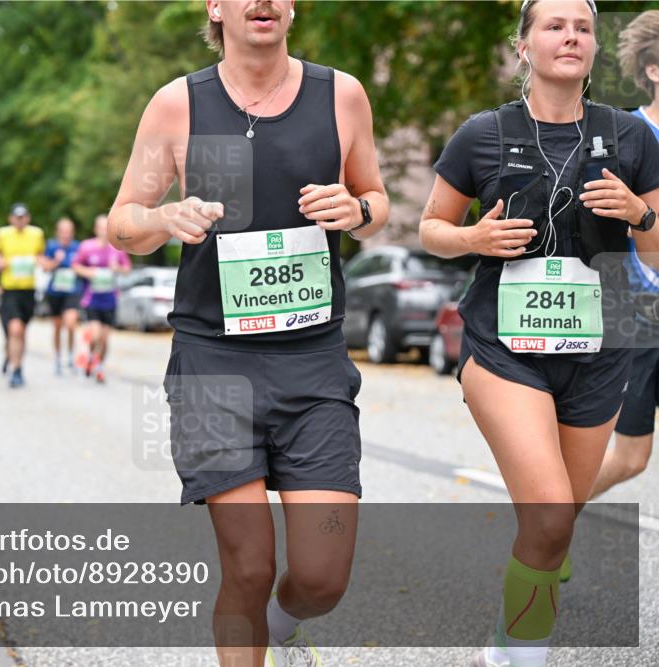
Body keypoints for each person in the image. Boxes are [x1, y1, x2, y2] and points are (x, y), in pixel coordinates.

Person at [107, 1, 389, 664]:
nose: (262, 1)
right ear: (216, 7)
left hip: (313, 361)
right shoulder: (178, 105)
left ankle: (285, 619)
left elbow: (376, 204)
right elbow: (122, 223)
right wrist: (163, 217)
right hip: (212, 363)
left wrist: (355, 210)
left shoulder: (341, 94)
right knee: (249, 566)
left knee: (321, 577)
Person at [417, 2, 659, 665]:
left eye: (582, 26)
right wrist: (473, 237)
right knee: (551, 517)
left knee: (555, 526)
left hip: (604, 345)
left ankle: (521, 611)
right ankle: (515, 654)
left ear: (594, 47)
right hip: (503, 347)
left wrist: (639, 212)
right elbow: (430, 227)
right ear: (524, 47)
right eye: (553, 25)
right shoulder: (482, 133)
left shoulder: (632, 138)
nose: (572, 35)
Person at [588, 9, 659, 500]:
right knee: (632, 457)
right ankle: (552, 523)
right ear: (653, 69)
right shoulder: (624, 137)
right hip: (637, 312)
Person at [73, 214, 131, 383]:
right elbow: (76, 266)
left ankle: (98, 366)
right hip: (92, 299)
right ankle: (92, 356)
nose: (104, 231)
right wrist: (88, 272)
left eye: (107, 228)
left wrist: (118, 268)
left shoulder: (118, 248)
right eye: (101, 227)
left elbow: (127, 269)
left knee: (105, 339)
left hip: (110, 299)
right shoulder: (86, 247)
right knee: (95, 335)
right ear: (95, 229)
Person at [0, 203, 45, 388]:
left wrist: (43, 262)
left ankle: (15, 361)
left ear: (28, 218)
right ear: (11, 218)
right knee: (15, 329)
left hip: (28, 290)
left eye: (23, 217)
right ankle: (16, 370)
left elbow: (40, 255)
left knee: (21, 331)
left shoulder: (37, 234)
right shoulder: (3, 234)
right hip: (10, 289)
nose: (20, 220)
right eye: (17, 217)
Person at [41, 217, 83, 375]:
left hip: (72, 292)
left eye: (69, 231)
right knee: (58, 327)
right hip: (55, 292)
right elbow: (44, 267)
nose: (66, 234)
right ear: (57, 232)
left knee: (71, 324)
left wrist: (78, 267)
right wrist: (55, 262)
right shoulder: (51, 246)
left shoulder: (78, 247)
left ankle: (71, 357)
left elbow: (84, 266)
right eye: (63, 231)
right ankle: (58, 358)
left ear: (72, 232)